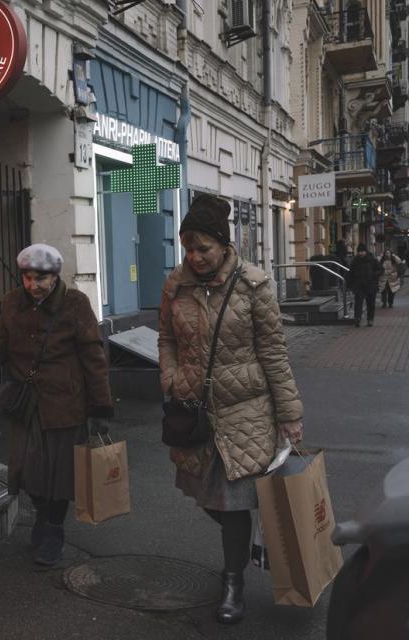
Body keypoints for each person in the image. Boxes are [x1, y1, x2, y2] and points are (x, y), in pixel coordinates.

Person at [159, 194, 304, 624]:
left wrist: (290, 414)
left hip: (247, 411)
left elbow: (275, 353)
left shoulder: (254, 284)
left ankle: (233, 583)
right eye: (188, 247)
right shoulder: (176, 285)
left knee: (235, 503)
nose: (195, 256)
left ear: (223, 244)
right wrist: (169, 377)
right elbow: (166, 336)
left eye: (203, 247)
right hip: (194, 413)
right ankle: (249, 549)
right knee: (210, 498)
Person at [0, 243, 113, 567]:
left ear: (54, 276)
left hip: (65, 403)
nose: (33, 285)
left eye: (40, 279)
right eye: (27, 278)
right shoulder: (11, 303)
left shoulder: (75, 305)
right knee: (25, 469)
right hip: (27, 403)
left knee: (59, 474)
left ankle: (54, 531)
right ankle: (41, 513)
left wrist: (101, 407)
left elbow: (94, 357)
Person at [347, 244, 383, 326]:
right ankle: (357, 319)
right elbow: (350, 273)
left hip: (370, 285)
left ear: (366, 251)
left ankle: (370, 319)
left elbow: (380, 269)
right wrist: (350, 284)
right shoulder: (355, 261)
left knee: (370, 303)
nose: (361, 253)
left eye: (362, 251)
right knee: (358, 303)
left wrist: (374, 275)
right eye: (359, 251)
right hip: (359, 285)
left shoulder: (372, 259)